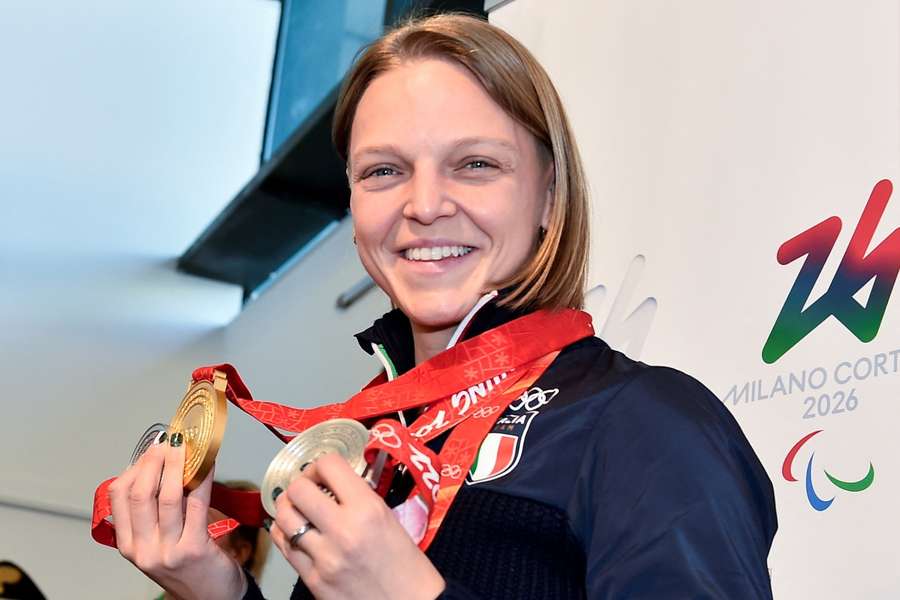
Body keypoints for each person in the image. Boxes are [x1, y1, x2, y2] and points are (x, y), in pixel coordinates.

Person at [108, 12, 777, 600]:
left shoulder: (646, 425)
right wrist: (215, 589)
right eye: (383, 171)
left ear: (548, 195)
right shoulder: (369, 446)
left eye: (476, 165)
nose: (424, 205)